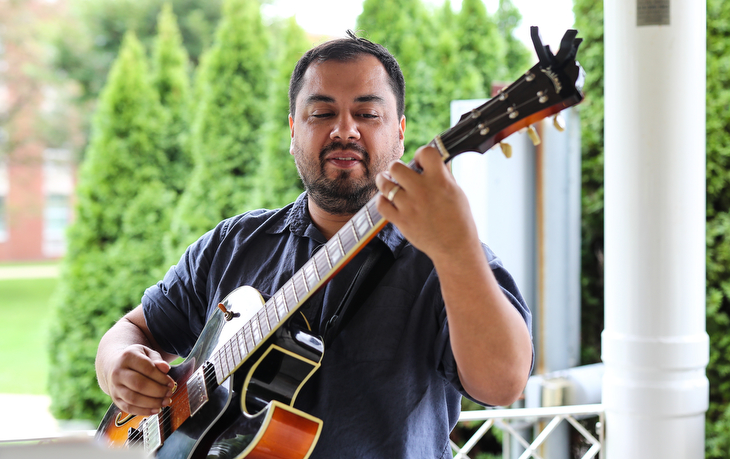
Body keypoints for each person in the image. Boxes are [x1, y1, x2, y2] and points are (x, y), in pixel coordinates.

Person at [95, 31, 533, 458]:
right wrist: (117, 365)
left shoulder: (447, 258)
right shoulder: (232, 244)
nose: (345, 130)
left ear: (400, 132)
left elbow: (502, 385)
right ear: (292, 131)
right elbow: (132, 330)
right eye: (322, 113)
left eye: (367, 113)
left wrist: (456, 251)